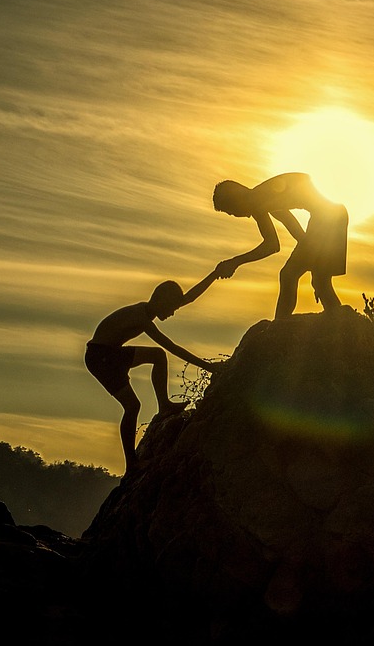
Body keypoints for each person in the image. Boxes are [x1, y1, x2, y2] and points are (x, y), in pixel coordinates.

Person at [85, 270, 218, 474]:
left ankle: (163, 405)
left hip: (110, 353)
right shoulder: (141, 317)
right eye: (172, 308)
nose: (173, 312)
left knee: (157, 356)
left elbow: (188, 298)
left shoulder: (150, 311)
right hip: (101, 357)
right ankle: (132, 464)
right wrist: (209, 367)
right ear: (161, 300)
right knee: (132, 406)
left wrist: (215, 274)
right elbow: (172, 346)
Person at [212, 171, 349, 318]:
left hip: (327, 220)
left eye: (232, 212)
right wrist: (313, 263)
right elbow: (293, 227)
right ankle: (339, 323)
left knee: (289, 275)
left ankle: (280, 325)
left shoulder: (256, 201)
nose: (236, 215)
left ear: (235, 200)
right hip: (335, 215)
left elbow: (272, 245)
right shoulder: (262, 196)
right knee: (320, 282)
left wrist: (235, 262)